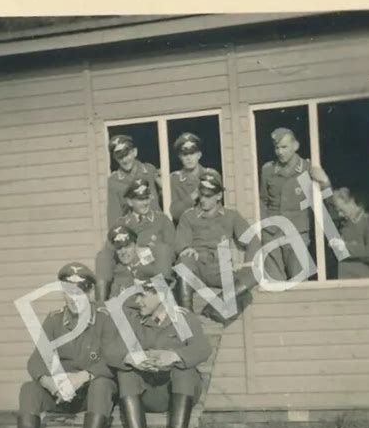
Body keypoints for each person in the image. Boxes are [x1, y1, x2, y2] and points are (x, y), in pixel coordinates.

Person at [3, 263, 118, 428]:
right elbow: (36, 360)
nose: (74, 299)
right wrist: (51, 383)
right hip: (61, 393)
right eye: (69, 293)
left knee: (102, 385)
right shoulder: (54, 320)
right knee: (29, 389)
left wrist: (82, 377)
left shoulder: (106, 319)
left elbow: (115, 360)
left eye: (80, 293)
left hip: (91, 393)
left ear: (91, 293)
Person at [104, 278, 212, 428]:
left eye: (142, 295)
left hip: (178, 392)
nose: (138, 301)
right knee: (125, 371)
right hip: (148, 394)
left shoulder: (181, 319)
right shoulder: (135, 321)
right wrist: (130, 358)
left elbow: (202, 349)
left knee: (184, 370)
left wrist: (175, 356)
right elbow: (110, 349)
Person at [174, 172, 260, 323]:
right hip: (198, 267)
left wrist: (247, 264)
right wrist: (186, 248)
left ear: (219, 196)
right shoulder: (189, 216)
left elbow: (253, 241)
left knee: (254, 274)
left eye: (208, 196)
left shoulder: (231, 216)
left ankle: (212, 310)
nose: (203, 200)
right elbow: (181, 242)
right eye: (201, 195)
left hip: (221, 269)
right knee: (184, 261)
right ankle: (187, 317)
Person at [259, 127, 331, 281]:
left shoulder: (307, 168)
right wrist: (267, 227)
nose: (280, 152)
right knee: (274, 283)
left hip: (297, 232)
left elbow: (326, 198)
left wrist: (324, 181)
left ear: (295, 146)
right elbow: (262, 200)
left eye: (284, 147)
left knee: (298, 282)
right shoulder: (267, 170)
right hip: (272, 233)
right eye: (277, 148)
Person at [95, 225, 173, 301]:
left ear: (135, 245)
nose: (123, 252)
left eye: (127, 246)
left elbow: (165, 291)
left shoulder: (152, 262)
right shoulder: (119, 272)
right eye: (119, 248)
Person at [107, 135, 161, 229]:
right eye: (120, 157)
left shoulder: (149, 171)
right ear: (115, 158)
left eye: (127, 154)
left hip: (157, 227)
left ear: (135, 152)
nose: (124, 160)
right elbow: (114, 216)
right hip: (133, 231)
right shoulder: (114, 181)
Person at [169, 132, 222, 223]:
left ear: (199, 155)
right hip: (186, 230)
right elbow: (176, 213)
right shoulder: (174, 179)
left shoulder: (212, 174)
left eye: (192, 153)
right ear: (180, 157)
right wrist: (194, 195)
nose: (189, 158)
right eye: (185, 154)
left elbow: (219, 207)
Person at [329, 187, 369, 279]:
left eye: (341, 210)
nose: (339, 214)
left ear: (351, 202)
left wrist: (345, 247)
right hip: (343, 279)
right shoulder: (344, 223)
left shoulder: (368, 221)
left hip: (360, 279)